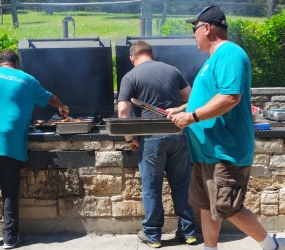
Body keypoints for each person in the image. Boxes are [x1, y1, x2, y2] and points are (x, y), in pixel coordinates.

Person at [170, 6, 285, 250]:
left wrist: (191, 117)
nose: (193, 35)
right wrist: (182, 109)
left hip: (226, 150)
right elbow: (207, 97)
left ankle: (271, 245)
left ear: (207, 28)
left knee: (226, 207)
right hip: (205, 152)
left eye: (195, 28)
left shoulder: (230, 54)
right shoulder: (211, 60)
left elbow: (230, 97)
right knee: (206, 206)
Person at [0, 50, 69, 249]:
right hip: (10, 139)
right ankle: (10, 237)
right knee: (9, 191)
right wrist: (62, 106)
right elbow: (50, 97)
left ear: (0, 63)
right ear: (16, 63)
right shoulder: (27, 79)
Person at [117, 40, 197, 248]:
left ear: (132, 58)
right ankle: (189, 233)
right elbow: (192, 99)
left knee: (152, 188)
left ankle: (153, 236)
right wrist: (178, 111)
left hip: (151, 138)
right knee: (182, 185)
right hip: (178, 134)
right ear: (151, 53)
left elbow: (123, 112)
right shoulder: (172, 70)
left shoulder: (130, 76)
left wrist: (130, 138)